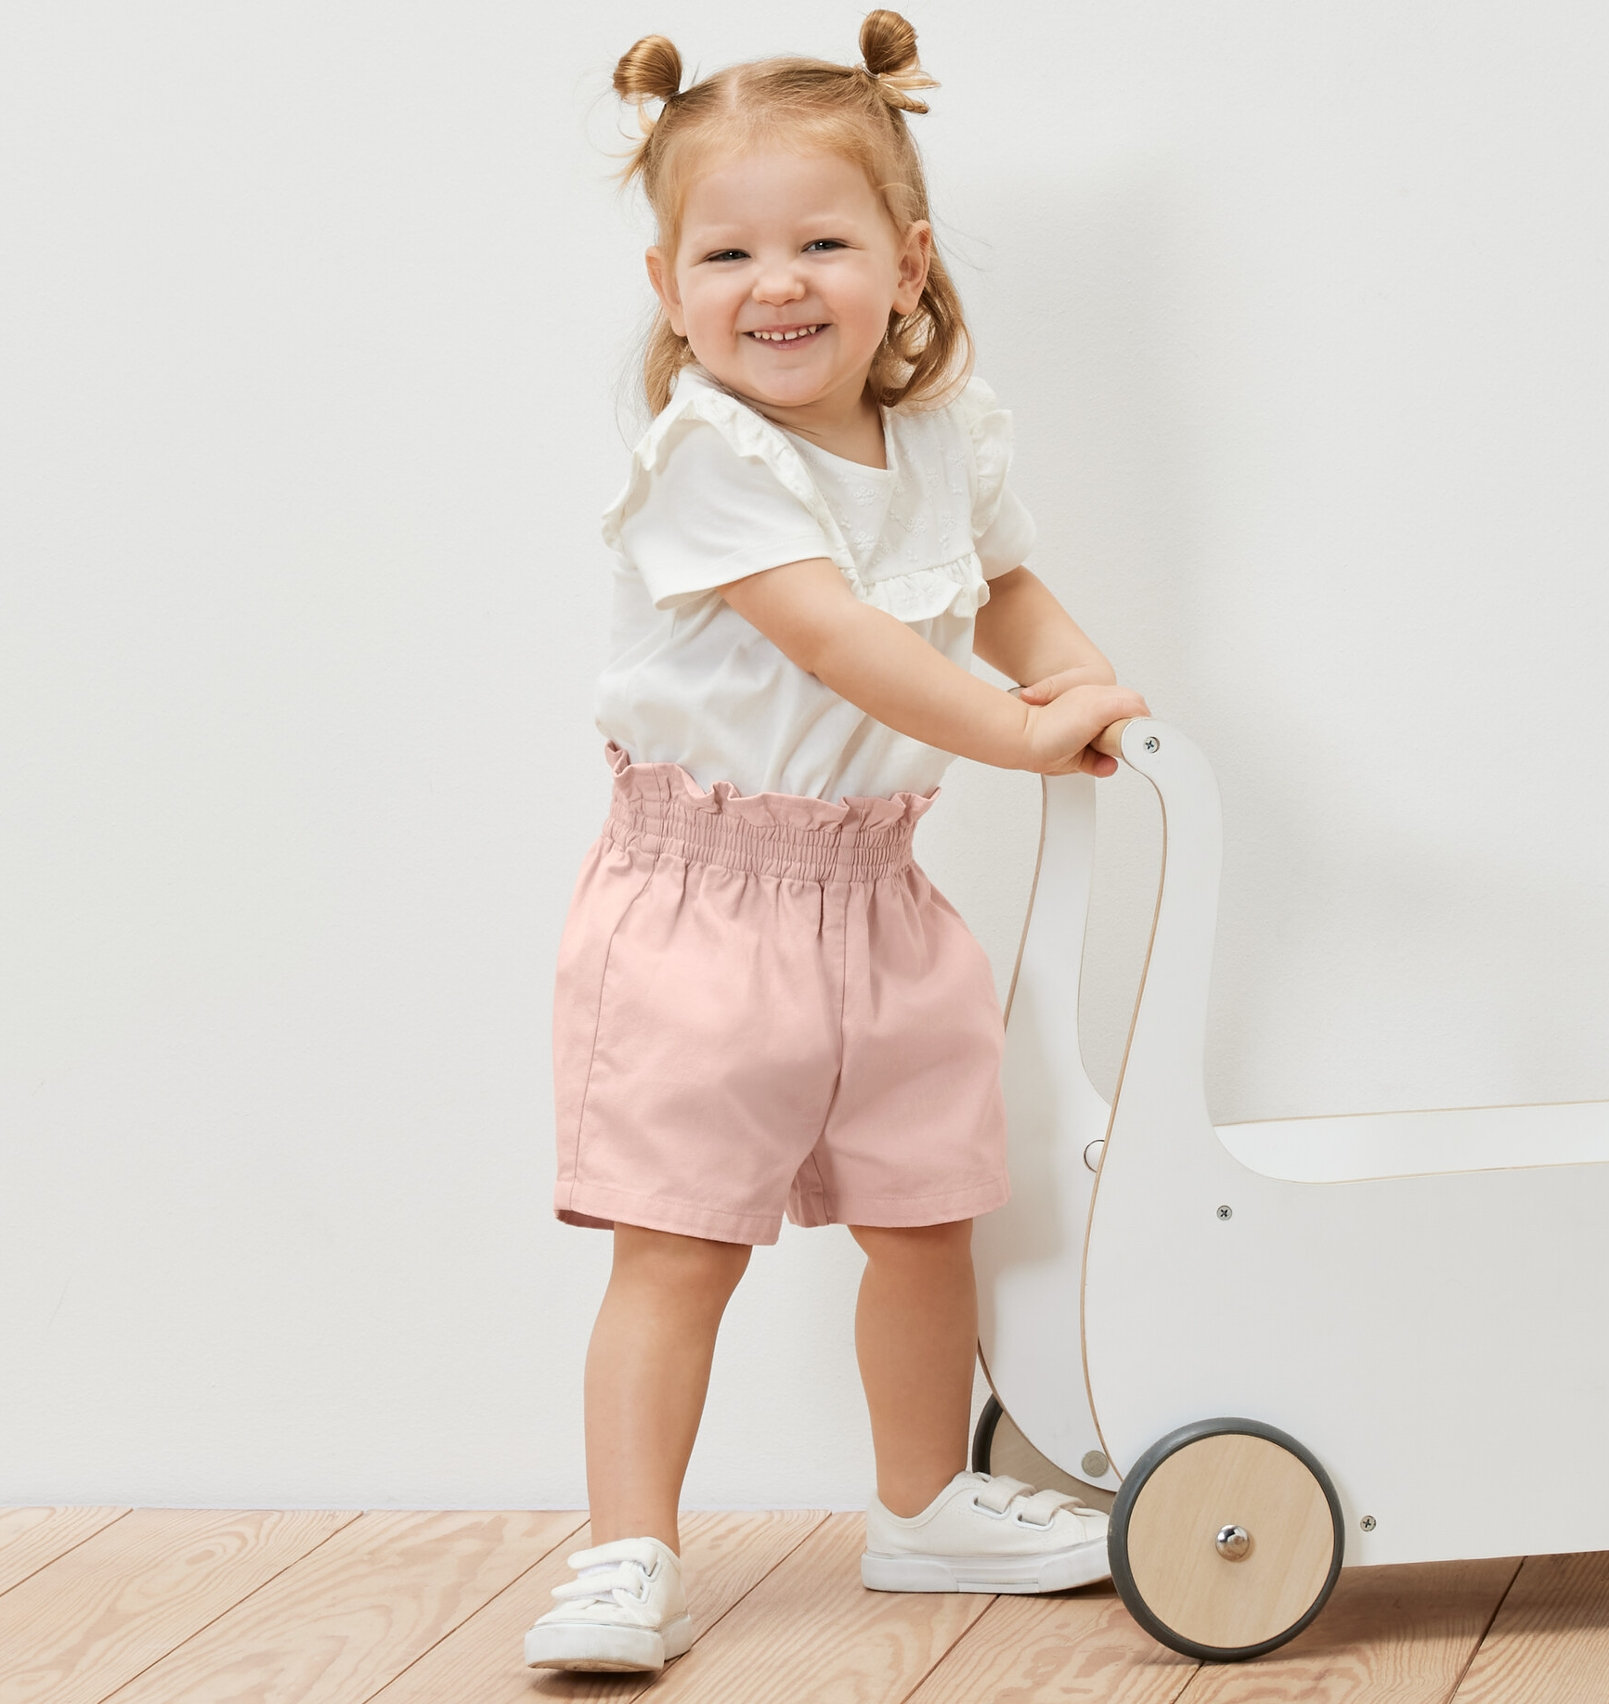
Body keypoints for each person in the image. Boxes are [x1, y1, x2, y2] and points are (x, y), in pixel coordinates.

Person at [525, 10, 1151, 1673]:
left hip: (879, 886)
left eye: (821, 240)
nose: (775, 282)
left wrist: (1077, 682)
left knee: (924, 1213)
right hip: (701, 904)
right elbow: (837, 639)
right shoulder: (705, 463)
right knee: (680, 1241)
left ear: (909, 264)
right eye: (725, 251)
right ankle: (624, 1550)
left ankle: (922, 1503)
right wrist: (1014, 732)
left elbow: (1001, 583)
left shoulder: (949, 436)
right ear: (669, 289)